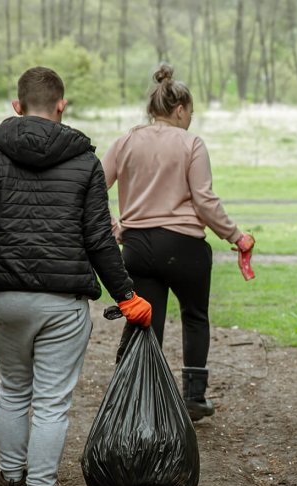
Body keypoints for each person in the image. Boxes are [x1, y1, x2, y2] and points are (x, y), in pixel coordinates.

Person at [0, 67, 152, 486]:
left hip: (7, 299)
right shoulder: (84, 161)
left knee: (13, 391)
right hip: (62, 302)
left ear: (16, 106)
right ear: (62, 106)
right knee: (52, 404)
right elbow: (99, 239)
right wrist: (128, 296)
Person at [101, 63, 255, 422]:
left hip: (138, 246)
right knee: (195, 317)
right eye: (191, 113)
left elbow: (93, 187)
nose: (190, 119)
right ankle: (194, 399)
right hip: (186, 247)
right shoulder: (191, 143)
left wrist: (114, 226)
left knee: (145, 321)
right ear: (180, 109)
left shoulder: (125, 142)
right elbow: (204, 199)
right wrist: (235, 235)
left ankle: (141, 396)